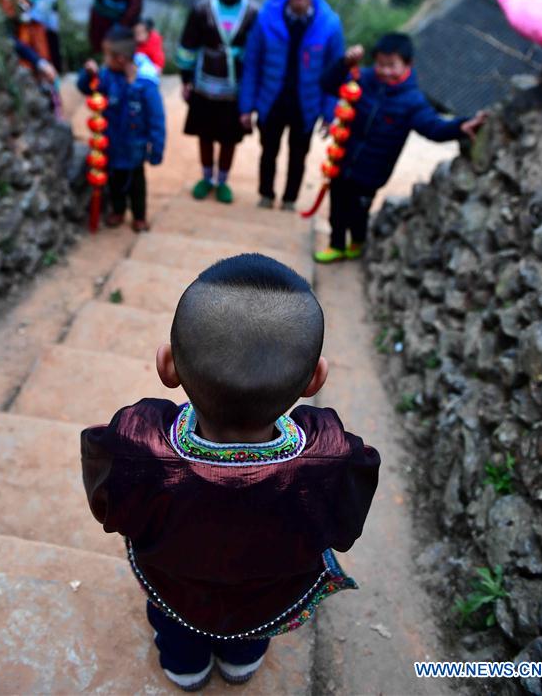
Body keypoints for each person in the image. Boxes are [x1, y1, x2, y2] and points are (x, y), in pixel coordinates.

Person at [81, 253, 380, 691]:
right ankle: (242, 660)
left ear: (167, 366)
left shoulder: (136, 444)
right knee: (251, 626)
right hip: (267, 595)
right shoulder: (331, 459)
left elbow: (107, 506)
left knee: (176, 623)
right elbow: (344, 529)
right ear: (315, 380)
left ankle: (185, 668)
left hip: (174, 585)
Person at [314, 32, 488, 263]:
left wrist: (459, 126)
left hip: (371, 172)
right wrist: (344, 63)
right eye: (380, 64)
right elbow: (327, 84)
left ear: (408, 65)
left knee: (358, 212)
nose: (385, 71)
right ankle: (336, 245)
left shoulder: (412, 101)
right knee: (337, 207)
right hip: (342, 160)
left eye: (392, 65)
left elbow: (433, 128)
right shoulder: (361, 80)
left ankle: (357, 242)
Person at [239, 0, 344, 211]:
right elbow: (252, 63)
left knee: (299, 156)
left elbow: (337, 72)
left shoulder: (329, 24)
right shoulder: (267, 16)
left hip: (306, 103)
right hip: (271, 98)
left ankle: (289, 199)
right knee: (268, 151)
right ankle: (266, 194)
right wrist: (246, 106)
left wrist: (330, 114)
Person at [176, 0, 258, 204]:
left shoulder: (254, 12)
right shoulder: (202, 7)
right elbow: (188, 44)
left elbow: (257, 53)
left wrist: (251, 89)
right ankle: (206, 177)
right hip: (204, 82)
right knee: (205, 133)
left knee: (229, 136)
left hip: (235, 87)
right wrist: (185, 78)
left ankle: (223, 181)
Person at [77, 25, 165, 232]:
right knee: (115, 182)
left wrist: (157, 149)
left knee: (136, 184)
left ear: (120, 59)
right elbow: (86, 88)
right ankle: (118, 211)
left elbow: (157, 119)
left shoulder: (146, 84)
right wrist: (87, 74)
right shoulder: (107, 77)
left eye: (107, 56)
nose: (104, 61)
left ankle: (139, 216)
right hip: (112, 145)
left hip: (136, 147)